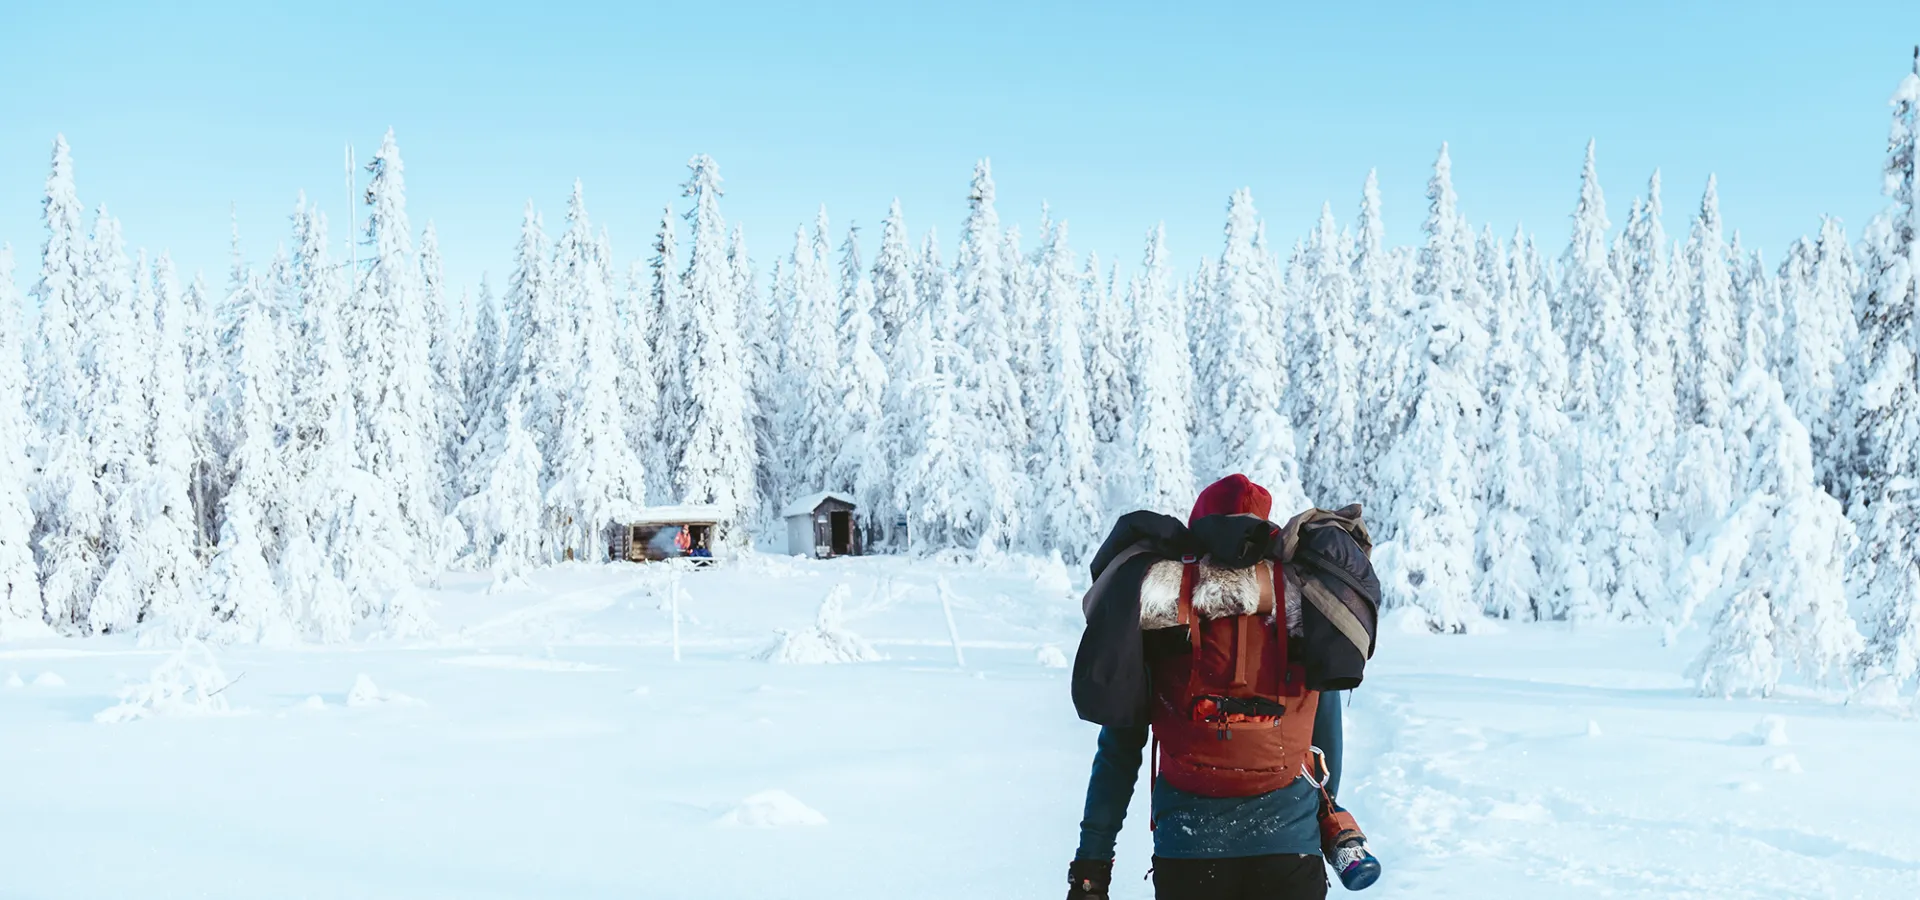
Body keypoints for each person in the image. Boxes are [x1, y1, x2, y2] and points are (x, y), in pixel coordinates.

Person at [1066, 475, 1378, 900]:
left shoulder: (1165, 610)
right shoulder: (1304, 605)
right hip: (1290, 855)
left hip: (1188, 853)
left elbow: (1118, 754)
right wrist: (1320, 823)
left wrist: (1093, 863)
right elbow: (1326, 750)